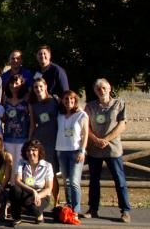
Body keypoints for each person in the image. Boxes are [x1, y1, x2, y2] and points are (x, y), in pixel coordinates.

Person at [84, 78, 131, 222]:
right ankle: (93, 209)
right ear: (95, 91)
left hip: (113, 149)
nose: (101, 91)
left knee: (119, 180)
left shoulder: (118, 103)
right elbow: (86, 126)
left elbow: (122, 125)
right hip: (95, 149)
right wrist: (96, 140)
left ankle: (125, 211)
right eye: (98, 89)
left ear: (109, 88)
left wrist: (107, 139)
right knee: (94, 181)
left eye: (104, 88)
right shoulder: (90, 106)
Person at [55, 90, 88, 215]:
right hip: (61, 150)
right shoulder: (60, 115)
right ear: (62, 101)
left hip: (75, 151)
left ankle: (76, 209)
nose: (69, 102)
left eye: (71, 99)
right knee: (66, 181)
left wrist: (82, 151)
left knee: (74, 181)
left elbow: (85, 135)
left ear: (75, 101)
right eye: (66, 99)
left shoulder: (81, 115)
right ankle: (69, 205)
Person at [28, 77, 60, 204]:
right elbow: (32, 124)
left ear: (45, 86)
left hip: (53, 140)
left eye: (40, 86)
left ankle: (56, 202)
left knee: (52, 173)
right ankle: (34, 199)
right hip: (39, 140)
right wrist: (30, 141)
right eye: (36, 87)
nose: (38, 89)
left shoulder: (55, 100)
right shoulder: (33, 104)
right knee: (35, 170)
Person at [10, 139, 54, 226]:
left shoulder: (47, 166)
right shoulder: (21, 163)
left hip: (42, 194)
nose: (31, 153)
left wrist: (37, 195)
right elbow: (17, 180)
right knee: (14, 189)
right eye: (28, 150)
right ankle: (17, 217)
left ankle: (39, 214)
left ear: (39, 151)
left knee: (33, 209)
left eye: (34, 150)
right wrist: (32, 191)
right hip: (27, 192)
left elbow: (49, 188)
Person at [2, 74, 30, 177]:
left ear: (22, 85)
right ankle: (12, 188)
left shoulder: (26, 99)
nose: (14, 85)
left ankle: (20, 189)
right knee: (10, 165)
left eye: (17, 83)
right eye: (12, 83)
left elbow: (31, 117)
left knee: (20, 166)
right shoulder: (5, 99)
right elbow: (4, 118)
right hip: (8, 137)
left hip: (22, 137)